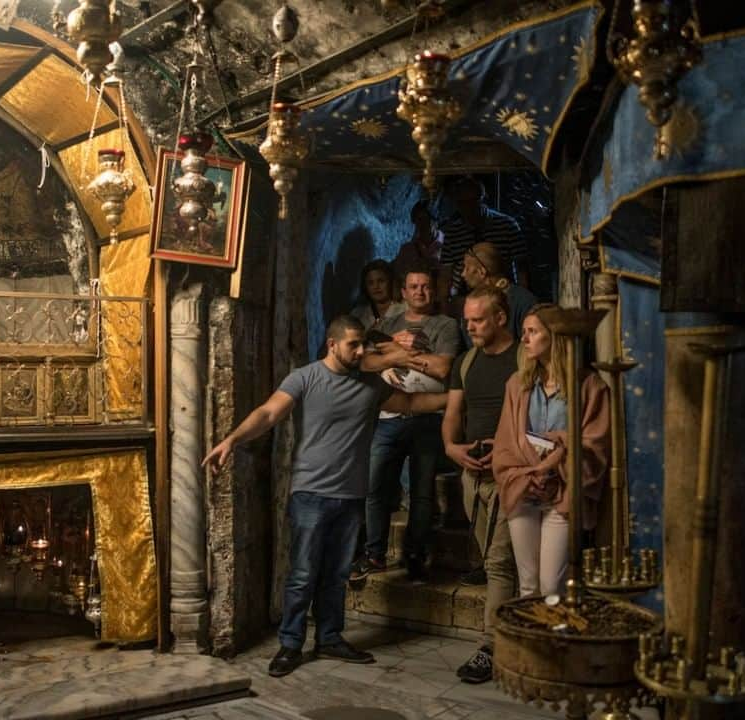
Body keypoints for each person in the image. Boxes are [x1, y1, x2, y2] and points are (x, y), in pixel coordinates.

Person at [203, 315, 447, 678]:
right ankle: (290, 643)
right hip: (311, 494)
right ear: (333, 345)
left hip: (351, 497)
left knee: (336, 574)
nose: (361, 350)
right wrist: (232, 440)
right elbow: (269, 413)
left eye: (363, 343)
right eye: (354, 344)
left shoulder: (371, 385)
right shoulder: (305, 377)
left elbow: (410, 404)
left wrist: (460, 396)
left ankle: (330, 638)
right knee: (302, 574)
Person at [492, 304, 611, 598]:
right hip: (524, 490)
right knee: (528, 585)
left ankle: (556, 641)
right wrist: (529, 473)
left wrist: (556, 456)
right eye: (524, 332)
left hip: (562, 494)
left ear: (554, 337)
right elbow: (506, 442)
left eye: (532, 332)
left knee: (551, 586)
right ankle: (530, 644)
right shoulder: (517, 385)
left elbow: (594, 443)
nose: (524, 339)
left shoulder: (589, 385)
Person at [355, 265, 462, 581]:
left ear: (433, 291)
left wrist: (398, 351)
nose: (419, 292)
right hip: (387, 418)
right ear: (403, 292)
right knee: (374, 487)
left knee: (422, 491)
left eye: (425, 286)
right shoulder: (387, 322)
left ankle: (415, 553)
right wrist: (399, 358)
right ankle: (374, 554)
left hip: (427, 418)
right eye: (413, 286)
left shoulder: (446, 325)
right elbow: (364, 361)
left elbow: (443, 369)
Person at [440, 285, 520, 684]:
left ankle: (491, 648)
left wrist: (508, 453)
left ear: (500, 318)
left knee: (500, 563)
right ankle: (517, 634)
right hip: (473, 475)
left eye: (478, 320)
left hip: (514, 476)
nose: (469, 326)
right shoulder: (466, 362)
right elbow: (453, 412)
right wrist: (452, 448)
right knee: (497, 561)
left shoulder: (525, 357)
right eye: (467, 319)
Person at [438, 176, 530, 288]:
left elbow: (522, 267)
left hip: (502, 293)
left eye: (472, 201)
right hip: (468, 296)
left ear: (482, 199)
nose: (468, 208)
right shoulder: (453, 233)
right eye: (463, 203)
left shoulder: (507, 225)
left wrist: (520, 297)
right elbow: (446, 272)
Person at [461, 241, 538, 342]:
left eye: (467, 268)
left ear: (481, 272)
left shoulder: (523, 301)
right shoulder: (472, 306)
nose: (462, 274)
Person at [392, 200, 442, 285]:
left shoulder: (447, 244)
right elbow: (397, 274)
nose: (423, 223)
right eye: (419, 219)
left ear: (433, 219)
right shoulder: (407, 250)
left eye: (426, 218)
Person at [349, 259, 405, 330]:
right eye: (370, 283)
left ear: (391, 282)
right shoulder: (357, 314)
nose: (376, 287)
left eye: (381, 281)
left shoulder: (405, 309)